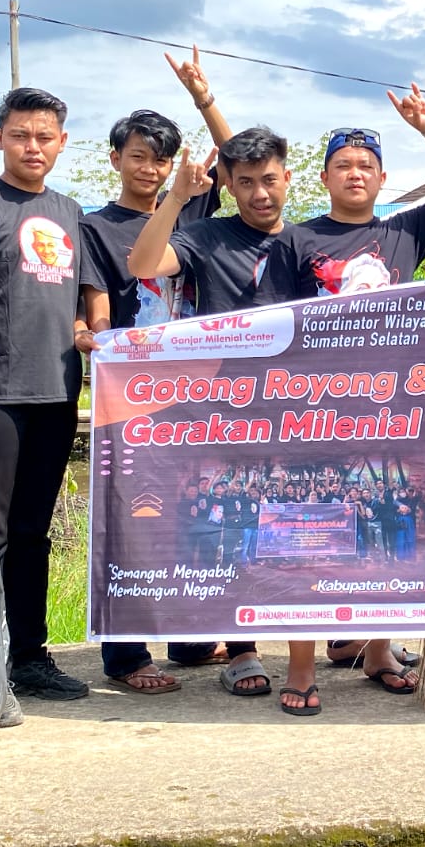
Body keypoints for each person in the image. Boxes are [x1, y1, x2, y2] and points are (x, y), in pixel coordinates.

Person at [266, 84, 425, 701]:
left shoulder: (404, 233)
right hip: (315, 411)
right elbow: (273, 325)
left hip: (393, 409)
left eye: (365, 165)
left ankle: (378, 649)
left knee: (388, 539)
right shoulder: (295, 240)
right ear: (324, 177)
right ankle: (301, 667)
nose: (354, 174)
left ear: (382, 178)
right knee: (307, 536)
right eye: (342, 165)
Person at [129, 122, 320, 710]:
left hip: (297, 410)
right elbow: (143, 262)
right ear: (229, 187)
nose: (261, 193)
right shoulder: (205, 235)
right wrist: (177, 199)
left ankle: (307, 653)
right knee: (237, 531)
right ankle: (241, 650)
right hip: (223, 413)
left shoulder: (307, 243)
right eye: (247, 183)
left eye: (270, 180)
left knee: (294, 532)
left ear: (288, 178)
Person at [0, 87, 106, 702]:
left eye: (45, 137)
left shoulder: (70, 212)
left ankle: (29, 657)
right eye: (21, 135)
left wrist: (94, 334)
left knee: (34, 531)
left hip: (56, 394)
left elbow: (89, 302)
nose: (33, 146)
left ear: (62, 143)